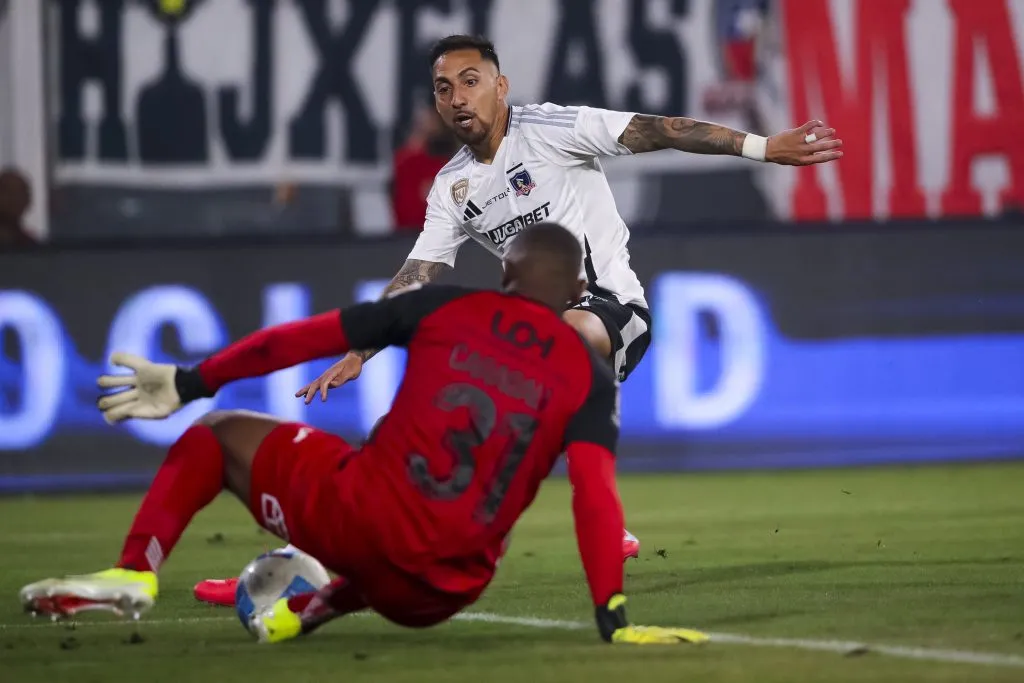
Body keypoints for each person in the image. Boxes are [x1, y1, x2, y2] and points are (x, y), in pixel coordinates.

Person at [195, 32, 843, 604]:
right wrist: (363, 347)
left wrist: (765, 147)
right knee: (426, 440)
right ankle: (299, 570)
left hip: (613, 311)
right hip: (529, 344)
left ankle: (602, 518)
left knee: (566, 339)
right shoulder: (452, 186)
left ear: (500, 86)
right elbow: (420, 269)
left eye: (470, 81)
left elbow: (658, 128)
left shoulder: (554, 129)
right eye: (444, 88)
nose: (456, 98)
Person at [19, 223, 707, 646]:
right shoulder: (589, 374)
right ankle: (297, 614)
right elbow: (594, 494)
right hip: (445, 590)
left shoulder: (446, 305)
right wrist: (612, 612)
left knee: (218, 435)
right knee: (436, 525)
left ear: (504, 273)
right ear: (578, 290)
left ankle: (134, 569)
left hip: (363, 523)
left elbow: (296, 339)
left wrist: (195, 380)